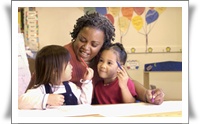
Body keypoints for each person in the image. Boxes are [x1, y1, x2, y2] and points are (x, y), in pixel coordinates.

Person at [63, 12, 164, 105]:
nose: (86, 47)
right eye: (82, 40)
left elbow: (128, 81)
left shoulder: (105, 55)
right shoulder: (61, 56)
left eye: (94, 44)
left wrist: (146, 93)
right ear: (76, 35)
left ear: (102, 46)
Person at [18, 45, 94, 110]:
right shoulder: (41, 89)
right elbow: (20, 102)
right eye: (68, 64)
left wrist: (87, 82)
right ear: (55, 71)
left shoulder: (72, 87)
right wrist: (47, 99)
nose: (72, 67)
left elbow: (85, 104)